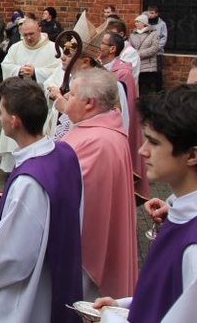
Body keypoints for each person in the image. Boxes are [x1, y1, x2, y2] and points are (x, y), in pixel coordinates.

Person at [0, 78, 83, 323]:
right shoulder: (64, 153)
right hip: (57, 270)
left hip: (28, 294)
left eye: (1, 112)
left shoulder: (29, 182)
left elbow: (12, 258)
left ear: (14, 120)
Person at [94, 84, 197, 323]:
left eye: (154, 142)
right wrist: (124, 306)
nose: (142, 151)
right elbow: (173, 295)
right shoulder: (180, 212)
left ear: (192, 156)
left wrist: (110, 320)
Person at [61, 68, 138, 300]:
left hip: (86, 254)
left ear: (88, 103)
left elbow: (71, 195)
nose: (66, 97)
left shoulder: (98, 142)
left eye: (72, 95)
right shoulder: (103, 128)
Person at [0, 18, 60, 172]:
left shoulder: (53, 49)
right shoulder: (16, 48)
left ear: (39, 29)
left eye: (31, 34)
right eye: (25, 35)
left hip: (38, 100)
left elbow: (59, 71)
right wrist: (18, 70)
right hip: (16, 99)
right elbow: (6, 65)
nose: (29, 38)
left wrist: (36, 72)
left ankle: (36, 164)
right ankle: (12, 166)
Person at [100, 31, 148, 201]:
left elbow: (124, 111)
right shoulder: (99, 66)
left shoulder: (122, 73)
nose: (99, 46)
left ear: (112, 49)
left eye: (102, 43)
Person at [130, 14, 161, 94]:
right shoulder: (133, 34)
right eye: (135, 22)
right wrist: (133, 54)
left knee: (147, 88)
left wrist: (140, 53)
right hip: (136, 64)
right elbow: (130, 47)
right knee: (137, 88)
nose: (136, 23)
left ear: (144, 23)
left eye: (138, 22)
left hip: (148, 66)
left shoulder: (153, 34)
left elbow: (155, 48)